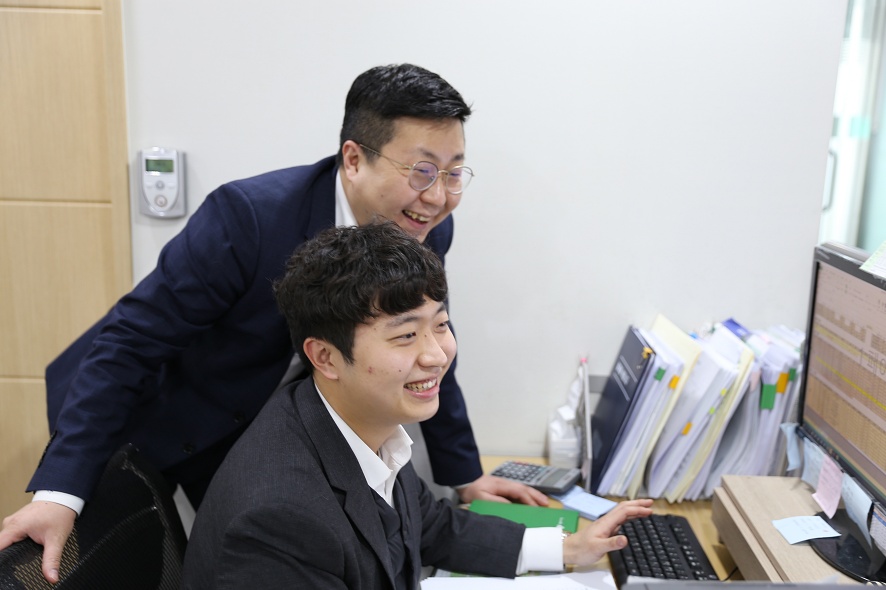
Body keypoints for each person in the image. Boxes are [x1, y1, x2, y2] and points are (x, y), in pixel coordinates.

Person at [0, 63, 547, 584]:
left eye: (453, 173)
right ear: (354, 159)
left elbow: (426, 340)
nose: (439, 197)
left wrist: (465, 477)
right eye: (422, 171)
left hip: (273, 432)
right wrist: (60, 491)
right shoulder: (249, 217)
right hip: (163, 416)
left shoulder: (422, 226)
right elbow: (130, 343)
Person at [180, 222, 653, 588]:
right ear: (325, 356)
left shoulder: (363, 422)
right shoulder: (278, 519)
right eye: (406, 336)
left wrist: (568, 548)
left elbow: (428, 526)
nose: (436, 355)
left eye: (440, 326)